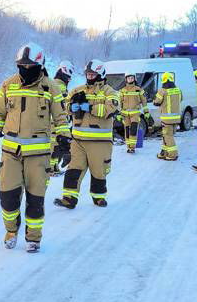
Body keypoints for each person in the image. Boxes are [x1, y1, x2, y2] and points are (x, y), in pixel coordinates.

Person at [0, 42, 70, 252]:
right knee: (7, 196)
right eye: (21, 65)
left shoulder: (51, 87)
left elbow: (61, 118)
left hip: (38, 156)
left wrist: (64, 142)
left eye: (29, 65)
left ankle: (33, 238)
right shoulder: (8, 84)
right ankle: (11, 230)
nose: (24, 69)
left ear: (39, 65)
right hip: (11, 153)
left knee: (35, 199)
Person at [54, 59, 120, 209]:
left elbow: (112, 109)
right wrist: (73, 107)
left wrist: (89, 107)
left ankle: (99, 198)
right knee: (73, 169)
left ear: (101, 74)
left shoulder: (109, 91)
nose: (90, 77)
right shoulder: (77, 90)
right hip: (78, 140)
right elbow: (63, 106)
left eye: (93, 74)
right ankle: (69, 198)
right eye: (88, 74)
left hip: (100, 141)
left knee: (98, 171)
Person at [47, 60, 73, 176]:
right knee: (55, 144)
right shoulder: (60, 85)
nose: (69, 79)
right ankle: (52, 168)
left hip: (52, 119)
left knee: (54, 143)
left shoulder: (54, 82)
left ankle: (54, 166)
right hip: (55, 120)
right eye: (69, 76)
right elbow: (61, 104)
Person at [153, 72, 182, 160]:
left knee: (168, 136)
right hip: (176, 118)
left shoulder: (162, 90)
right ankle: (164, 152)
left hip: (167, 119)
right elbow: (181, 99)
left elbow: (157, 102)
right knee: (167, 136)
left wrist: (155, 101)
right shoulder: (178, 90)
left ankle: (173, 155)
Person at [118, 73, 150, 154]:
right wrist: (118, 113)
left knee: (133, 130)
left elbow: (144, 101)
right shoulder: (122, 90)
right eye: (129, 78)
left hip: (135, 113)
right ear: (126, 79)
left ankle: (132, 147)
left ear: (134, 79)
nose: (130, 79)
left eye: (132, 78)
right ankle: (128, 147)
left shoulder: (138, 89)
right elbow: (119, 103)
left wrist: (146, 112)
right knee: (127, 130)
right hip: (125, 114)